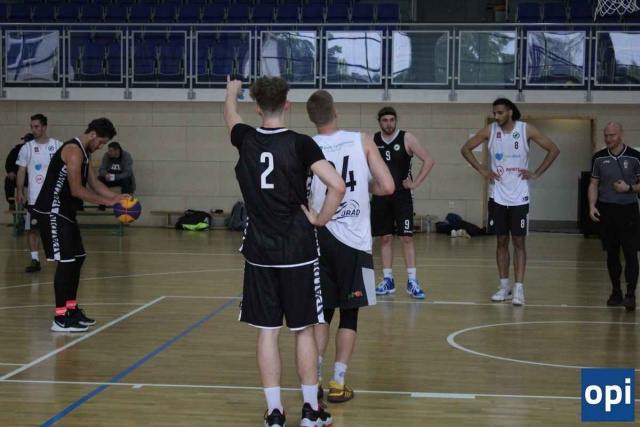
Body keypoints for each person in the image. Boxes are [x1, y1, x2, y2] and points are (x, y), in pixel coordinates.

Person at [224, 76, 344, 427]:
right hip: (298, 250)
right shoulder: (301, 143)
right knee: (303, 329)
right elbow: (337, 185)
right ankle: (311, 410)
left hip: (259, 251)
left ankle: (275, 412)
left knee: (268, 331)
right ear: (288, 104)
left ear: (257, 108)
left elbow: (230, 116)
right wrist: (320, 219)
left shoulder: (245, 138)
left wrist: (231, 92)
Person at [306, 90, 394, 404]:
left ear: (311, 118)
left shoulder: (306, 145)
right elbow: (388, 186)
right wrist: (363, 187)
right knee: (350, 315)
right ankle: (338, 382)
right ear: (336, 112)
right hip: (356, 242)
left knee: (322, 314)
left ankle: (314, 379)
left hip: (318, 237)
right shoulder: (362, 140)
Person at [33, 118, 129, 332]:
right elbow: (76, 190)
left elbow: (93, 183)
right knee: (66, 262)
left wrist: (116, 197)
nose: (101, 147)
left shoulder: (85, 153)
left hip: (66, 212)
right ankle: (60, 318)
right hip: (52, 211)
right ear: (92, 134)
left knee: (78, 258)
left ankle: (71, 309)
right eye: (101, 142)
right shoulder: (73, 151)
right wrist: (107, 202)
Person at [461, 98, 560, 306]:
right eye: (494, 113)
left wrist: (536, 173)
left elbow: (553, 149)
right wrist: (482, 170)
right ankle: (504, 287)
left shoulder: (526, 129)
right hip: (497, 195)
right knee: (501, 241)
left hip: (519, 196)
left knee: (519, 242)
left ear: (510, 112)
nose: (496, 116)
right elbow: (466, 149)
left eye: (499, 112)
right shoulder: (490, 131)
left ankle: (519, 289)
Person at [371, 106, 435, 299]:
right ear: (379, 122)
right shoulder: (373, 140)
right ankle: (388, 280)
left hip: (402, 196)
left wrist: (415, 183)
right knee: (385, 238)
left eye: (391, 120)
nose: (388, 124)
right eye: (385, 120)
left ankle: (412, 282)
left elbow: (428, 160)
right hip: (381, 196)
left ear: (396, 120)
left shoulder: (406, 138)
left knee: (406, 237)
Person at [588, 122, 639, 312]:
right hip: (607, 210)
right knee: (612, 253)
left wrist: (629, 188)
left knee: (630, 253)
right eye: (606, 135)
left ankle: (630, 294)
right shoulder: (599, 158)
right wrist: (592, 205)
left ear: (622, 134)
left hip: (629, 210)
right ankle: (616, 291)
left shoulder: (635, 157)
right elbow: (594, 184)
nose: (609, 139)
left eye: (613, 135)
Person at [15, 115, 63, 273]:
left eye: (36, 126)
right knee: (33, 229)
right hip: (35, 198)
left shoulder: (57, 145)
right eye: (32, 127)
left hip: (54, 197)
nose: (33, 130)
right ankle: (35, 260)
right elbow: (21, 171)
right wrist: (20, 191)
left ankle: (60, 259)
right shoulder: (27, 148)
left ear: (44, 127)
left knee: (56, 230)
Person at [97, 141, 136, 211]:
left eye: (110, 151)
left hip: (121, 179)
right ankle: (102, 204)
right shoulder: (107, 155)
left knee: (126, 180)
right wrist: (105, 174)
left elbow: (128, 172)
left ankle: (125, 205)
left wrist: (115, 177)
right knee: (99, 179)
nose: (109, 152)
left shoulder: (126, 156)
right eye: (108, 151)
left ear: (117, 150)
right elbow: (102, 169)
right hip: (109, 179)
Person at [5, 133, 31, 210]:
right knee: (8, 180)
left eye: (28, 141)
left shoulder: (37, 150)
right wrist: (10, 171)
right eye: (25, 140)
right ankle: (11, 204)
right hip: (17, 175)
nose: (26, 142)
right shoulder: (16, 150)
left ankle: (30, 203)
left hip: (30, 177)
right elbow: (9, 162)